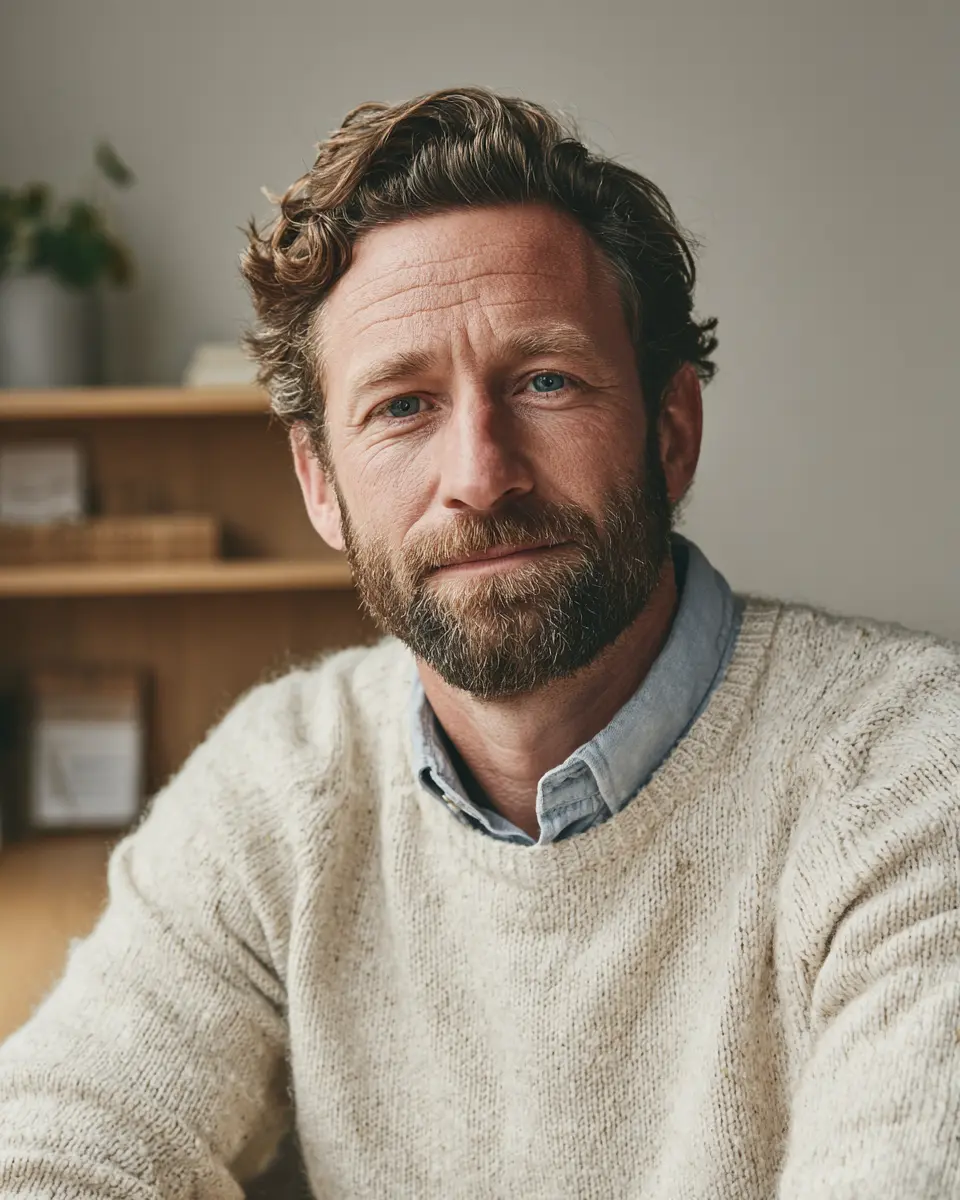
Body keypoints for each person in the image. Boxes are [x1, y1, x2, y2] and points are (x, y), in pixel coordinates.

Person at [1, 86, 958, 1200]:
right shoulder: (280, 783)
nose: (478, 476)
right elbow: (58, 1148)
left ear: (671, 433)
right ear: (320, 486)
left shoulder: (910, 775)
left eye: (546, 382)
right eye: (402, 406)